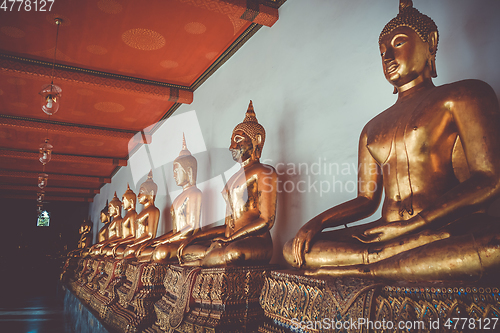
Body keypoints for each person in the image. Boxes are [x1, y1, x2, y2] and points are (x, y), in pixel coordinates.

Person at [283, 0, 500, 281]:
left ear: (430, 44)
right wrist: (316, 223)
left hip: (442, 227)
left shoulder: (463, 95)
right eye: (382, 50)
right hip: (386, 233)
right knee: (294, 248)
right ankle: (386, 262)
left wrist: (415, 225)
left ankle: (364, 269)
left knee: (494, 244)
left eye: (398, 43)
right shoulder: (372, 128)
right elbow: (365, 200)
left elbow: (489, 179)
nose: (387, 55)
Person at [178, 101, 278, 267]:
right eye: (232, 140)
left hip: (255, 242)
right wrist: (196, 236)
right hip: (229, 241)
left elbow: (266, 221)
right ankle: (208, 257)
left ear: (257, 140)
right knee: (189, 249)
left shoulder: (264, 172)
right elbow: (227, 226)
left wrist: (231, 238)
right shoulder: (232, 179)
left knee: (233, 253)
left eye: (238, 139)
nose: (232, 146)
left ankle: (207, 258)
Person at [134, 135, 202, 263]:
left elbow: (192, 228)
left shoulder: (195, 193)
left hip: (188, 240)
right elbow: (176, 230)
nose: (174, 175)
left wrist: (166, 241)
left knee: (160, 252)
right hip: (177, 239)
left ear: (188, 171)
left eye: (176, 171)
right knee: (150, 249)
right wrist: (157, 240)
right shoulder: (178, 198)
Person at [122, 171, 160, 259]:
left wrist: (135, 244)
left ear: (150, 193)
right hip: (138, 244)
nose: (138, 195)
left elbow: (150, 235)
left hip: (144, 244)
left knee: (128, 252)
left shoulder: (153, 210)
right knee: (127, 252)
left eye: (141, 192)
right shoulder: (140, 213)